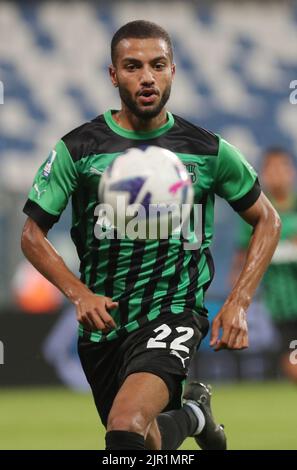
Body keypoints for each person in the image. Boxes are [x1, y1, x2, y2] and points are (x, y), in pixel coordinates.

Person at [21, 20, 281, 451]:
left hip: (173, 311)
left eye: (158, 65)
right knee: (145, 440)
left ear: (173, 70)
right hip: (104, 320)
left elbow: (267, 219)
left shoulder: (207, 150)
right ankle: (195, 415)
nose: (147, 77)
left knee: (124, 427)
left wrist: (238, 301)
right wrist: (79, 294)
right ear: (113, 74)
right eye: (133, 66)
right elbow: (32, 234)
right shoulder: (78, 149)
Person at [233, 147, 297, 382]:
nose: (277, 174)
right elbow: (242, 257)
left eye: (283, 167)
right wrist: (237, 300)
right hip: (282, 308)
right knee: (290, 360)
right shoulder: (257, 214)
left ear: (291, 172)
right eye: (272, 169)